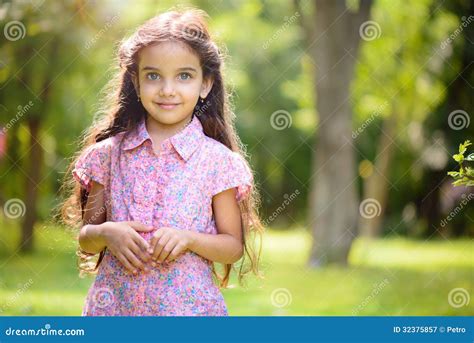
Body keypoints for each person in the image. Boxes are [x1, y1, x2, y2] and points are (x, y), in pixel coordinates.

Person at [61, 8, 263, 316]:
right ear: (136, 81)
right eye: (153, 75)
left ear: (205, 84)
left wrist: (189, 239)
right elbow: (87, 237)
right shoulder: (108, 155)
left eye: (184, 76)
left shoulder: (218, 163)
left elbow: (232, 247)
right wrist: (106, 233)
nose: (168, 89)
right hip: (114, 312)